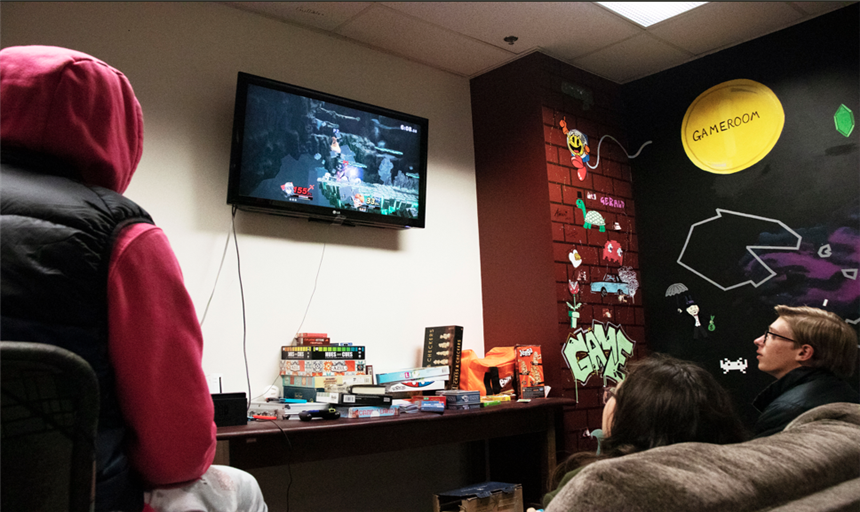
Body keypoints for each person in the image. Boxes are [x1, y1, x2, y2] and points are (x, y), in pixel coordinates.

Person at [0, 45, 266, 512]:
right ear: (117, 130)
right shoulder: (120, 231)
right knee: (239, 486)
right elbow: (178, 454)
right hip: (79, 498)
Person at [541, 354, 747, 508]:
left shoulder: (593, 482)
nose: (608, 402)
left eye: (614, 394)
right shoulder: (739, 479)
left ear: (636, 416)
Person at [752, 305, 860, 438]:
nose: (757, 341)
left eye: (771, 335)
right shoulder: (850, 397)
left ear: (804, 352)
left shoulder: (787, 411)